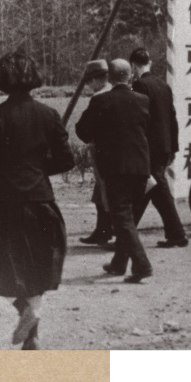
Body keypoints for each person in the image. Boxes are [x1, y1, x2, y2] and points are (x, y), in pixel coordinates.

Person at [0, 51, 75, 349]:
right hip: (41, 201)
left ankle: (27, 315)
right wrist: (39, 171)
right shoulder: (49, 114)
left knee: (2, 268)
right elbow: (67, 160)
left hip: (5, 204)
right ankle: (33, 324)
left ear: (4, 79)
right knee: (38, 267)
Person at [74, 57, 153, 284]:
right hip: (140, 166)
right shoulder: (143, 100)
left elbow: (83, 131)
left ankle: (142, 265)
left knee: (122, 219)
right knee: (127, 218)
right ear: (130, 76)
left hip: (115, 168)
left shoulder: (101, 102)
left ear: (109, 77)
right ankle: (119, 263)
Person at [129, 46, 188, 248]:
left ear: (133, 66)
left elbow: (140, 120)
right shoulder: (163, 85)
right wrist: (173, 147)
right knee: (149, 189)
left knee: (153, 188)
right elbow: (172, 117)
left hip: (148, 147)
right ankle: (128, 234)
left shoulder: (139, 85)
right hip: (164, 145)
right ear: (150, 63)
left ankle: (177, 234)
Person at [78, 58, 115, 246]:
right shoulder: (117, 91)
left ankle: (107, 231)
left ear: (96, 80)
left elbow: (86, 127)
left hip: (103, 152)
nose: (89, 86)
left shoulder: (99, 97)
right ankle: (102, 230)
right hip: (118, 152)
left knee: (105, 193)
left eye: (89, 82)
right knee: (100, 193)